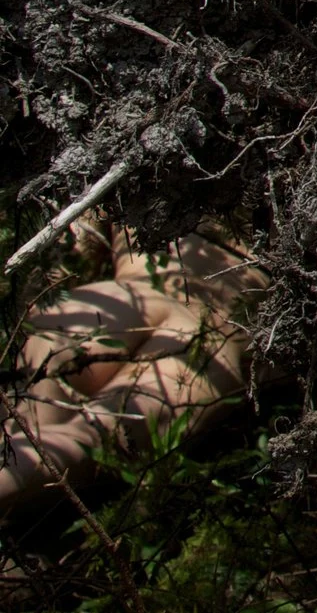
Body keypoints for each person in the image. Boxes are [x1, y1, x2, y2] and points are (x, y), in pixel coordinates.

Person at [0, 221, 263, 517]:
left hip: (126, 298)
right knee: (93, 438)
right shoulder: (300, 194)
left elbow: (58, 267)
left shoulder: (131, 181)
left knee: (27, 419)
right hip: (210, 334)